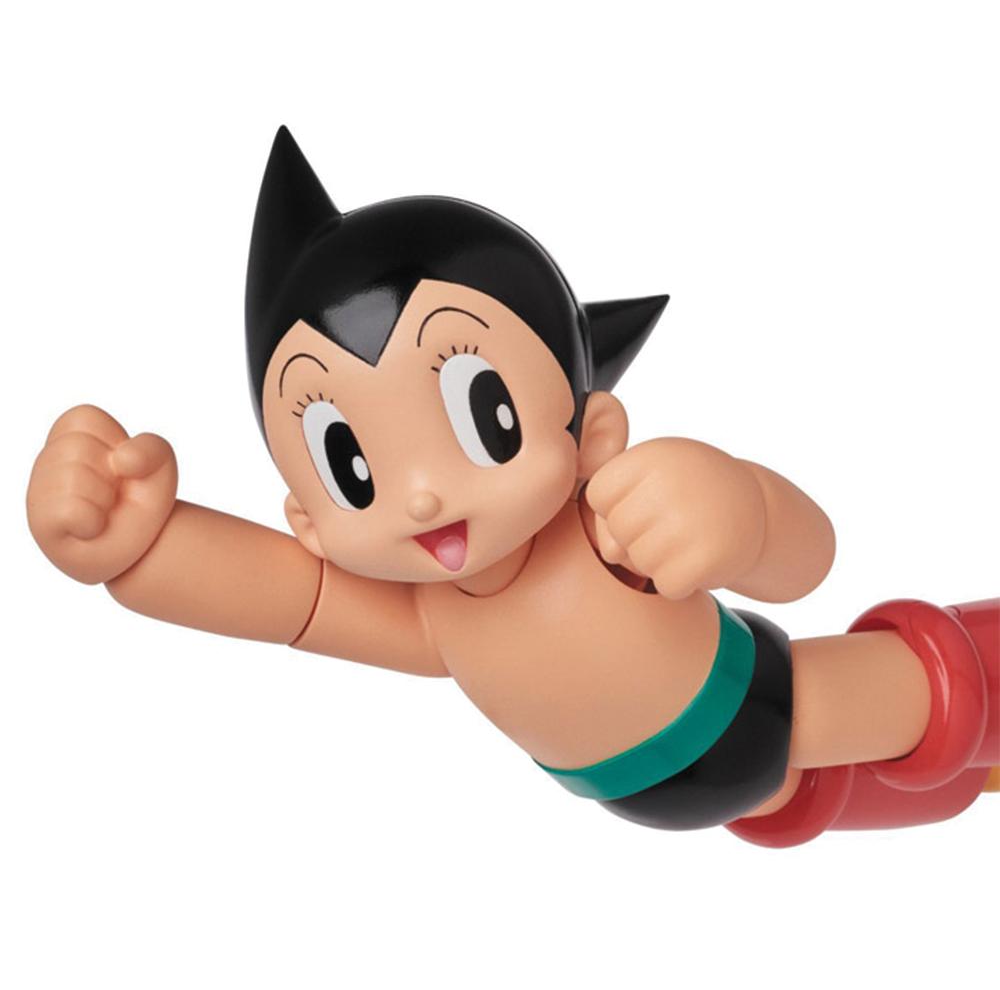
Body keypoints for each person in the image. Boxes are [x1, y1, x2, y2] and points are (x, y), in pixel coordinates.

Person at [26, 127, 998, 847]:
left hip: (769, 704)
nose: (420, 497)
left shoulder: (612, 530)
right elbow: (288, 600)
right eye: (352, 468)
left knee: (929, 705)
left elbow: (807, 561)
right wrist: (136, 547)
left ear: (591, 436)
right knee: (867, 789)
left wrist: (738, 511)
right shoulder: (433, 620)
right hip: (716, 796)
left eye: (484, 418)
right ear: (307, 519)